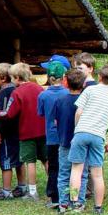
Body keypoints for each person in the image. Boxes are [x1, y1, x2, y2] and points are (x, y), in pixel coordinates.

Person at [67, 62, 108, 215]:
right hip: (98, 137)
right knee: (97, 173)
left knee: (76, 169)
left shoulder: (89, 90)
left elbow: (79, 112)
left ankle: (75, 202)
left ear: (99, 76)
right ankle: (98, 207)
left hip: (81, 132)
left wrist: (77, 129)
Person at [0, 63, 45, 201]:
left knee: (30, 162)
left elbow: (9, 114)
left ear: (17, 77)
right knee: (46, 159)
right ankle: (54, 187)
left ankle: (33, 192)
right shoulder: (39, 88)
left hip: (27, 133)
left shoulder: (17, 92)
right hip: (43, 131)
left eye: (12, 77)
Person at [52, 68, 89, 213]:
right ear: (83, 84)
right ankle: (78, 201)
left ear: (66, 82)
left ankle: (64, 203)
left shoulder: (60, 99)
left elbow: (55, 121)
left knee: (64, 173)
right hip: (81, 142)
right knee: (82, 173)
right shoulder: (85, 101)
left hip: (64, 141)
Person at [37, 59, 68, 206]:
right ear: (63, 78)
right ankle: (67, 196)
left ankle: (54, 197)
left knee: (53, 166)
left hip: (51, 136)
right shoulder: (68, 93)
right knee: (66, 166)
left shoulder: (43, 95)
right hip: (67, 135)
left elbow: (41, 113)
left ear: (48, 78)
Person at [0, 63, 21, 198]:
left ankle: (7, 191)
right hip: (18, 131)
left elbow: (4, 115)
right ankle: (22, 186)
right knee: (19, 160)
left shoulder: (4, 93)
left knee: (6, 160)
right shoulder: (16, 89)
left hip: (7, 133)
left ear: (3, 78)